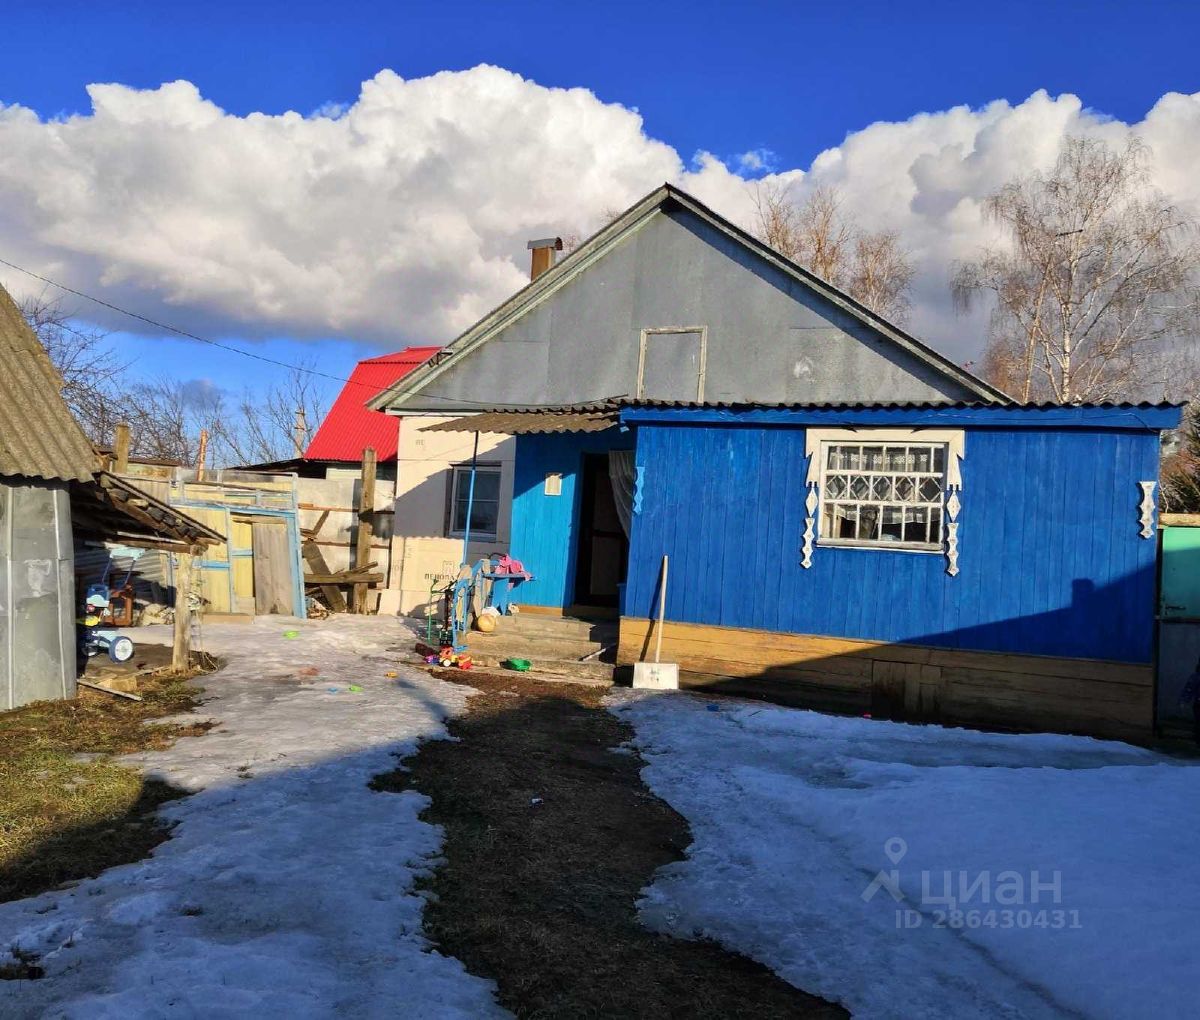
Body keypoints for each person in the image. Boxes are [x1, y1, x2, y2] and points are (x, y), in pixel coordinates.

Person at [1179, 656, 1200, 745]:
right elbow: (1189, 688)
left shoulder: (1196, 676)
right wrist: (1184, 700)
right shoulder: (1197, 676)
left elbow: (1189, 688)